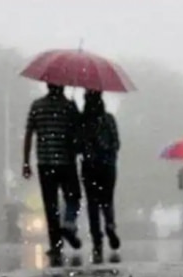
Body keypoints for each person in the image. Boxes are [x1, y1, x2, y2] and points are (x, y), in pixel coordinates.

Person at [22, 83, 82, 260]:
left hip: (45, 163)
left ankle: (55, 244)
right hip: (66, 162)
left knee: (51, 205)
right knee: (73, 196)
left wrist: (26, 162)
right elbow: (78, 133)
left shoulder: (37, 106)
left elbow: (29, 134)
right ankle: (69, 224)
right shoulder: (69, 106)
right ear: (62, 86)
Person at [79, 90, 121, 263]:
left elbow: (77, 145)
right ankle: (110, 225)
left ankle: (97, 237)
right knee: (107, 200)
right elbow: (116, 143)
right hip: (108, 166)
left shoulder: (83, 122)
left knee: (92, 203)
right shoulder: (109, 119)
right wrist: (107, 151)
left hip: (89, 167)